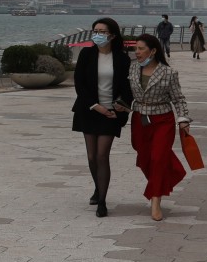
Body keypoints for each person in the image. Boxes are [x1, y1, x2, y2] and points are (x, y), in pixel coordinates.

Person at [125, 33, 191, 221]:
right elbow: (126, 92)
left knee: (158, 157)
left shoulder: (168, 73)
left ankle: (156, 200)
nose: (136, 52)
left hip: (163, 120)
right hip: (139, 119)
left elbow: (178, 98)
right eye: (135, 48)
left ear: (153, 51)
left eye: (141, 48)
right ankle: (165, 180)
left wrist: (183, 119)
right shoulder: (132, 68)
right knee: (145, 157)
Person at [71, 17, 133, 218]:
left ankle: (103, 202)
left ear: (112, 35)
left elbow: (127, 88)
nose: (98, 34)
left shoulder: (122, 58)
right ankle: (98, 188)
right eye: (95, 31)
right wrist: (96, 107)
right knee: (91, 156)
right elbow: (80, 85)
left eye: (102, 31)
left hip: (111, 113)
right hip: (89, 110)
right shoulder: (87, 54)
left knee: (101, 155)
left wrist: (121, 106)